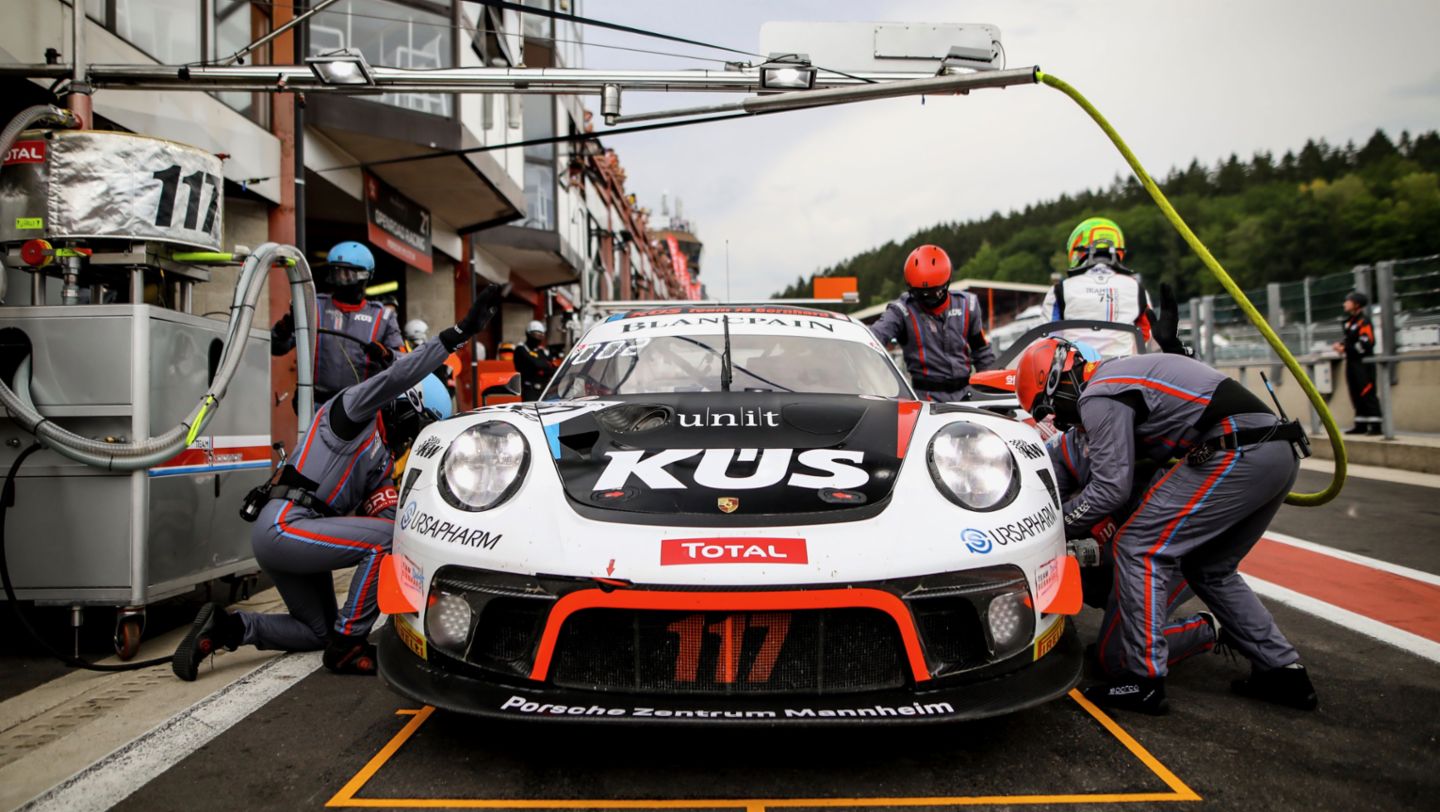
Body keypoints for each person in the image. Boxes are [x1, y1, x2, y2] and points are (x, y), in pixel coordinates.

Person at [172, 284, 506, 680]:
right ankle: (348, 645)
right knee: (386, 539)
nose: (409, 437)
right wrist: (459, 334)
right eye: (415, 425)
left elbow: (392, 513)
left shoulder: (381, 458)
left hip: (300, 534)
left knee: (316, 631)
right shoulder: (352, 412)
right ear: (405, 404)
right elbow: (399, 374)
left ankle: (230, 628)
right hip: (285, 527)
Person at [1014, 336, 1316, 715]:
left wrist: (1054, 527)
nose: (1058, 421)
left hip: (1234, 447)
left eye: (1050, 410)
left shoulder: (1098, 394)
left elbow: (1110, 490)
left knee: (1137, 546)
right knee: (1212, 569)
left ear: (1058, 382)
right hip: (1277, 450)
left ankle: (1144, 681)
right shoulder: (1122, 375)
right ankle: (1283, 671)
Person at [271, 242, 403, 405]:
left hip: (361, 406)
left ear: (366, 276)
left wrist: (386, 354)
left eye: (348, 275)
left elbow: (403, 362)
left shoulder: (383, 316)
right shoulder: (313, 306)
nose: (340, 280)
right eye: (336, 273)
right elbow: (276, 347)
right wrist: (285, 326)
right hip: (317, 404)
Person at [869, 245, 995, 401]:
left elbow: (982, 353)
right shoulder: (901, 311)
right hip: (926, 401)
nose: (927, 298)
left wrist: (991, 393)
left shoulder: (968, 305)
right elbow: (873, 337)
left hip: (966, 396)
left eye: (933, 293)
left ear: (946, 284)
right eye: (919, 294)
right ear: (910, 288)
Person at [1042, 217, 1154, 357]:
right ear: (1119, 251)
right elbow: (1147, 336)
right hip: (1125, 373)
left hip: (1075, 376)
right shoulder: (1137, 289)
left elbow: (1047, 340)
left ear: (1077, 250)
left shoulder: (1060, 290)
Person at [1332, 291, 1382, 435]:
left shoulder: (1363, 321)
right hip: (1352, 362)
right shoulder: (1349, 322)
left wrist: (1345, 348)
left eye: (1348, 301)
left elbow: (1367, 343)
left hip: (1363, 364)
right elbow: (1350, 340)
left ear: (1356, 304)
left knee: (1366, 391)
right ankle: (1361, 424)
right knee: (1355, 392)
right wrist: (1341, 345)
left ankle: (1376, 425)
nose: (1344, 304)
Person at [513, 319, 556, 402]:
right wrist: (545, 366)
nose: (538, 338)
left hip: (545, 390)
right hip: (530, 390)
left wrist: (545, 367)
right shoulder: (521, 349)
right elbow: (537, 364)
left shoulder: (542, 351)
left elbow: (553, 367)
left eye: (541, 335)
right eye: (536, 335)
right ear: (528, 334)